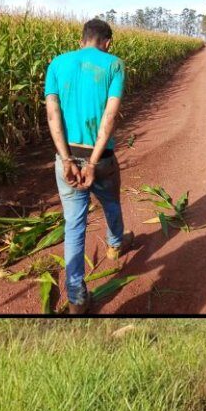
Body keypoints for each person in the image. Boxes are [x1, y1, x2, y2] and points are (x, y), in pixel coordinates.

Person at [45, 18, 134, 315]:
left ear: (82, 39)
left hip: (65, 157)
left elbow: (53, 115)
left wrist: (67, 159)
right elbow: (108, 119)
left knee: (74, 225)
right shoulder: (114, 65)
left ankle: (77, 299)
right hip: (101, 158)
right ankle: (114, 245)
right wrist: (93, 162)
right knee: (111, 202)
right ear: (107, 42)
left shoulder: (57, 63)